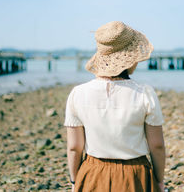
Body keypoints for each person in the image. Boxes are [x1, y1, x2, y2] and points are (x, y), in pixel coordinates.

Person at [64, 21, 166, 192]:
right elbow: (157, 145)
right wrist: (159, 181)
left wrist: (75, 181)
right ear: (131, 57)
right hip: (135, 174)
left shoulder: (78, 93)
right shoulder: (145, 93)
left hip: (93, 172)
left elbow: (74, 147)